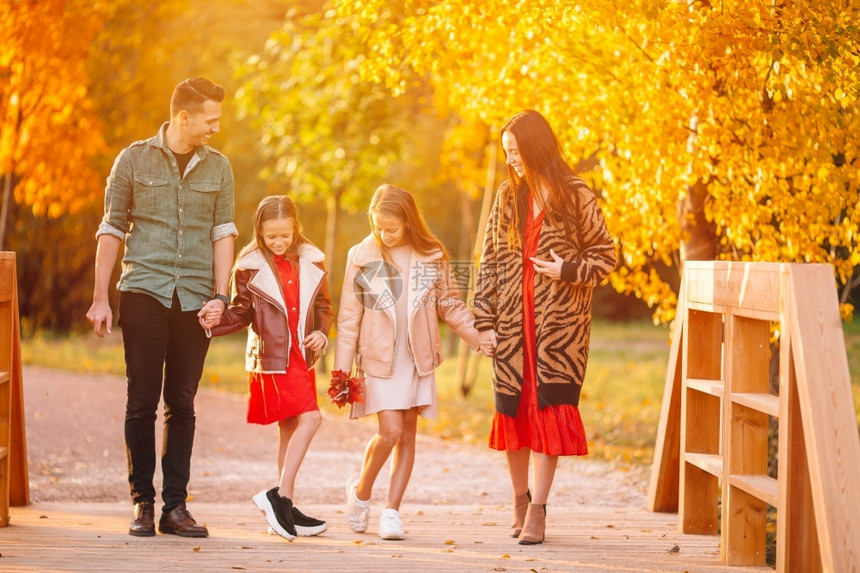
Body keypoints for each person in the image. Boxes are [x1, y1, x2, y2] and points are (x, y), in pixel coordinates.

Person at [86, 77, 237, 538]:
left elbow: (223, 233)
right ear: (183, 116)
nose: (215, 128)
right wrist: (99, 298)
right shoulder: (132, 159)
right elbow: (111, 228)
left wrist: (220, 295)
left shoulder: (220, 167)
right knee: (141, 401)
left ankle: (175, 507)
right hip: (144, 291)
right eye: (210, 119)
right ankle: (142, 505)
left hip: (195, 299)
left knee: (183, 402)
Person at [473, 110, 616, 545]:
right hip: (512, 329)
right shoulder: (506, 196)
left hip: (559, 332)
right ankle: (520, 500)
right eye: (506, 153)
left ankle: (538, 510)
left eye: (515, 151)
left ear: (536, 146)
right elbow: (490, 262)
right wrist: (483, 321)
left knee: (550, 412)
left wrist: (566, 268)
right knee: (514, 412)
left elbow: (606, 257)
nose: (511, 159)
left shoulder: (576, 195)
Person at [334, 184, 494, 540]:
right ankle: (360, 492)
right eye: (378, 227)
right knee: (388, 433)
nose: (384, 235)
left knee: (407, 436)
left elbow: (449, 303)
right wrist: (342, 372)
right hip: (379, 360)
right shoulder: (361, 256)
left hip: (416, 359)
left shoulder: (431, 254)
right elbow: (348, 318)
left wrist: (476, 337)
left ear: (408, 221)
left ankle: (391, 511)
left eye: (391, 228)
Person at [200, 195, 333, 541]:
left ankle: (285, 505)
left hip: (302, 356)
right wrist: (214, 320)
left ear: (295, 229)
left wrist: (321, 331)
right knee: (312, 418)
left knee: (290, 426)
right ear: (259, 231)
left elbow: (323, 306)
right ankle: (280, 497)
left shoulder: (312, 261)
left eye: (284, 236)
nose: (278, 242)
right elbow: (242, 313)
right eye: (271, 236)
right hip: (273, 358)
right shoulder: (249, 265)